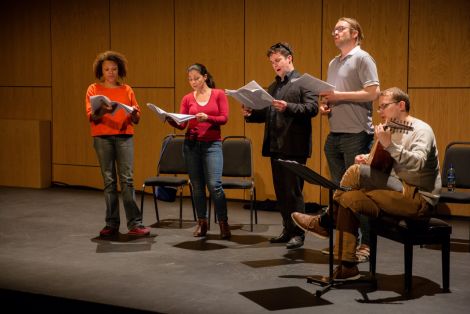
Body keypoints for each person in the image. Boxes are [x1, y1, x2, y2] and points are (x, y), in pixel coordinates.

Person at [292, 87, 441, 280]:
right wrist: (367, 159)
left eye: (384, 107)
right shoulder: (391, 128)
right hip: (396, 189)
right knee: (347, 197)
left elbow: (418, 163)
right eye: (378, 108)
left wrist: (388, 145)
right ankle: (347, 266)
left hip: (419, 198)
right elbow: (384, 165)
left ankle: (325, 221)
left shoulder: (421, 130)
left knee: (354, 173)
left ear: (401, 105)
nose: (380, 112)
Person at [242, 42, 318, 249]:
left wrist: (288, 107)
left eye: (277, 60)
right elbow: (269, 112)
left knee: (294, 191)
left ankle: (299, 234)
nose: (274, 65)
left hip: (294, 144)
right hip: (275, 144)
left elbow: (312, 108)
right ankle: (287, 229)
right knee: (281, 192)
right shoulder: (274, 86)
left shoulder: (304, 83)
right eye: (272, 62)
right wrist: (251, 114)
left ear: (289, 58)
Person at [320, 17, 380, 261]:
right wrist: (325, 105)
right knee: (341, 193)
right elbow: (330, 97)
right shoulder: (333, 62)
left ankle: (366, 244)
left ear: (354, 33)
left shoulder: (363, 58)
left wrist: (337, 96)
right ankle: (346, 242)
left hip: (356, 133)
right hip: (335, 133)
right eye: (333, 29)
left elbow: (373, 92)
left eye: (340, 28)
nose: (335, 32)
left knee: (358, 194)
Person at [85, 50, 150, 237]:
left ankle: (135, 224)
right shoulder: (93, 89)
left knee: (127, 180)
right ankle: (111, 224)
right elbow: (92, 116)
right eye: (107, 69)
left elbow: (136, 118)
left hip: (124, 137)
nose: (111, 72)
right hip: (102, 138)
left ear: (119, 70)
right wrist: (104, 110)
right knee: (109, 181)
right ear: (101, 71)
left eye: (114, 69)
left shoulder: (127, 89)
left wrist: (135, 115)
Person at [168, 63, 231, 239]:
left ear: (204, 76)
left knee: (214, 185)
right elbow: (182, 124)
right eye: (190, 79)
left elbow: (224, 118)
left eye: (196, 78)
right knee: (196, 186)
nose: (193, 82)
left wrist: (208, 117)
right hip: (192, 145)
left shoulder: (218, 94)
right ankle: (202, 223)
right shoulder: (187, 98)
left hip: (212, 145)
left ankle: (223, 223)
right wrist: (170, 119)